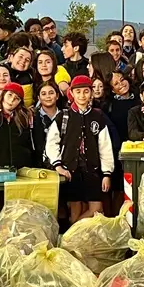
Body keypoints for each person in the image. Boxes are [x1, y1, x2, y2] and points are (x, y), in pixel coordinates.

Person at [46, 76, 115, 223]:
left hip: (92, 170)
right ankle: (75, 235)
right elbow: (51, 143)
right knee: (75, 211)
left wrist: (107, 173)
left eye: (86, 91)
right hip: (71, 170)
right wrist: (58, 165)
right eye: (78, 92)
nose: (82, 95)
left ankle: (70, 233)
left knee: (96, 209)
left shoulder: (98, 116)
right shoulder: (63, 116)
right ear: (72, 93)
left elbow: (105, 147)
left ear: (91, 93)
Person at [31, 80, 68, 166]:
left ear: (57, 96)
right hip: (37, 164)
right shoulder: (32, 116)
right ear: (38, 98)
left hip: (62, 163)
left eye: (51, 93)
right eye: (43, 94)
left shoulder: (66, 116)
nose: (48, 96)